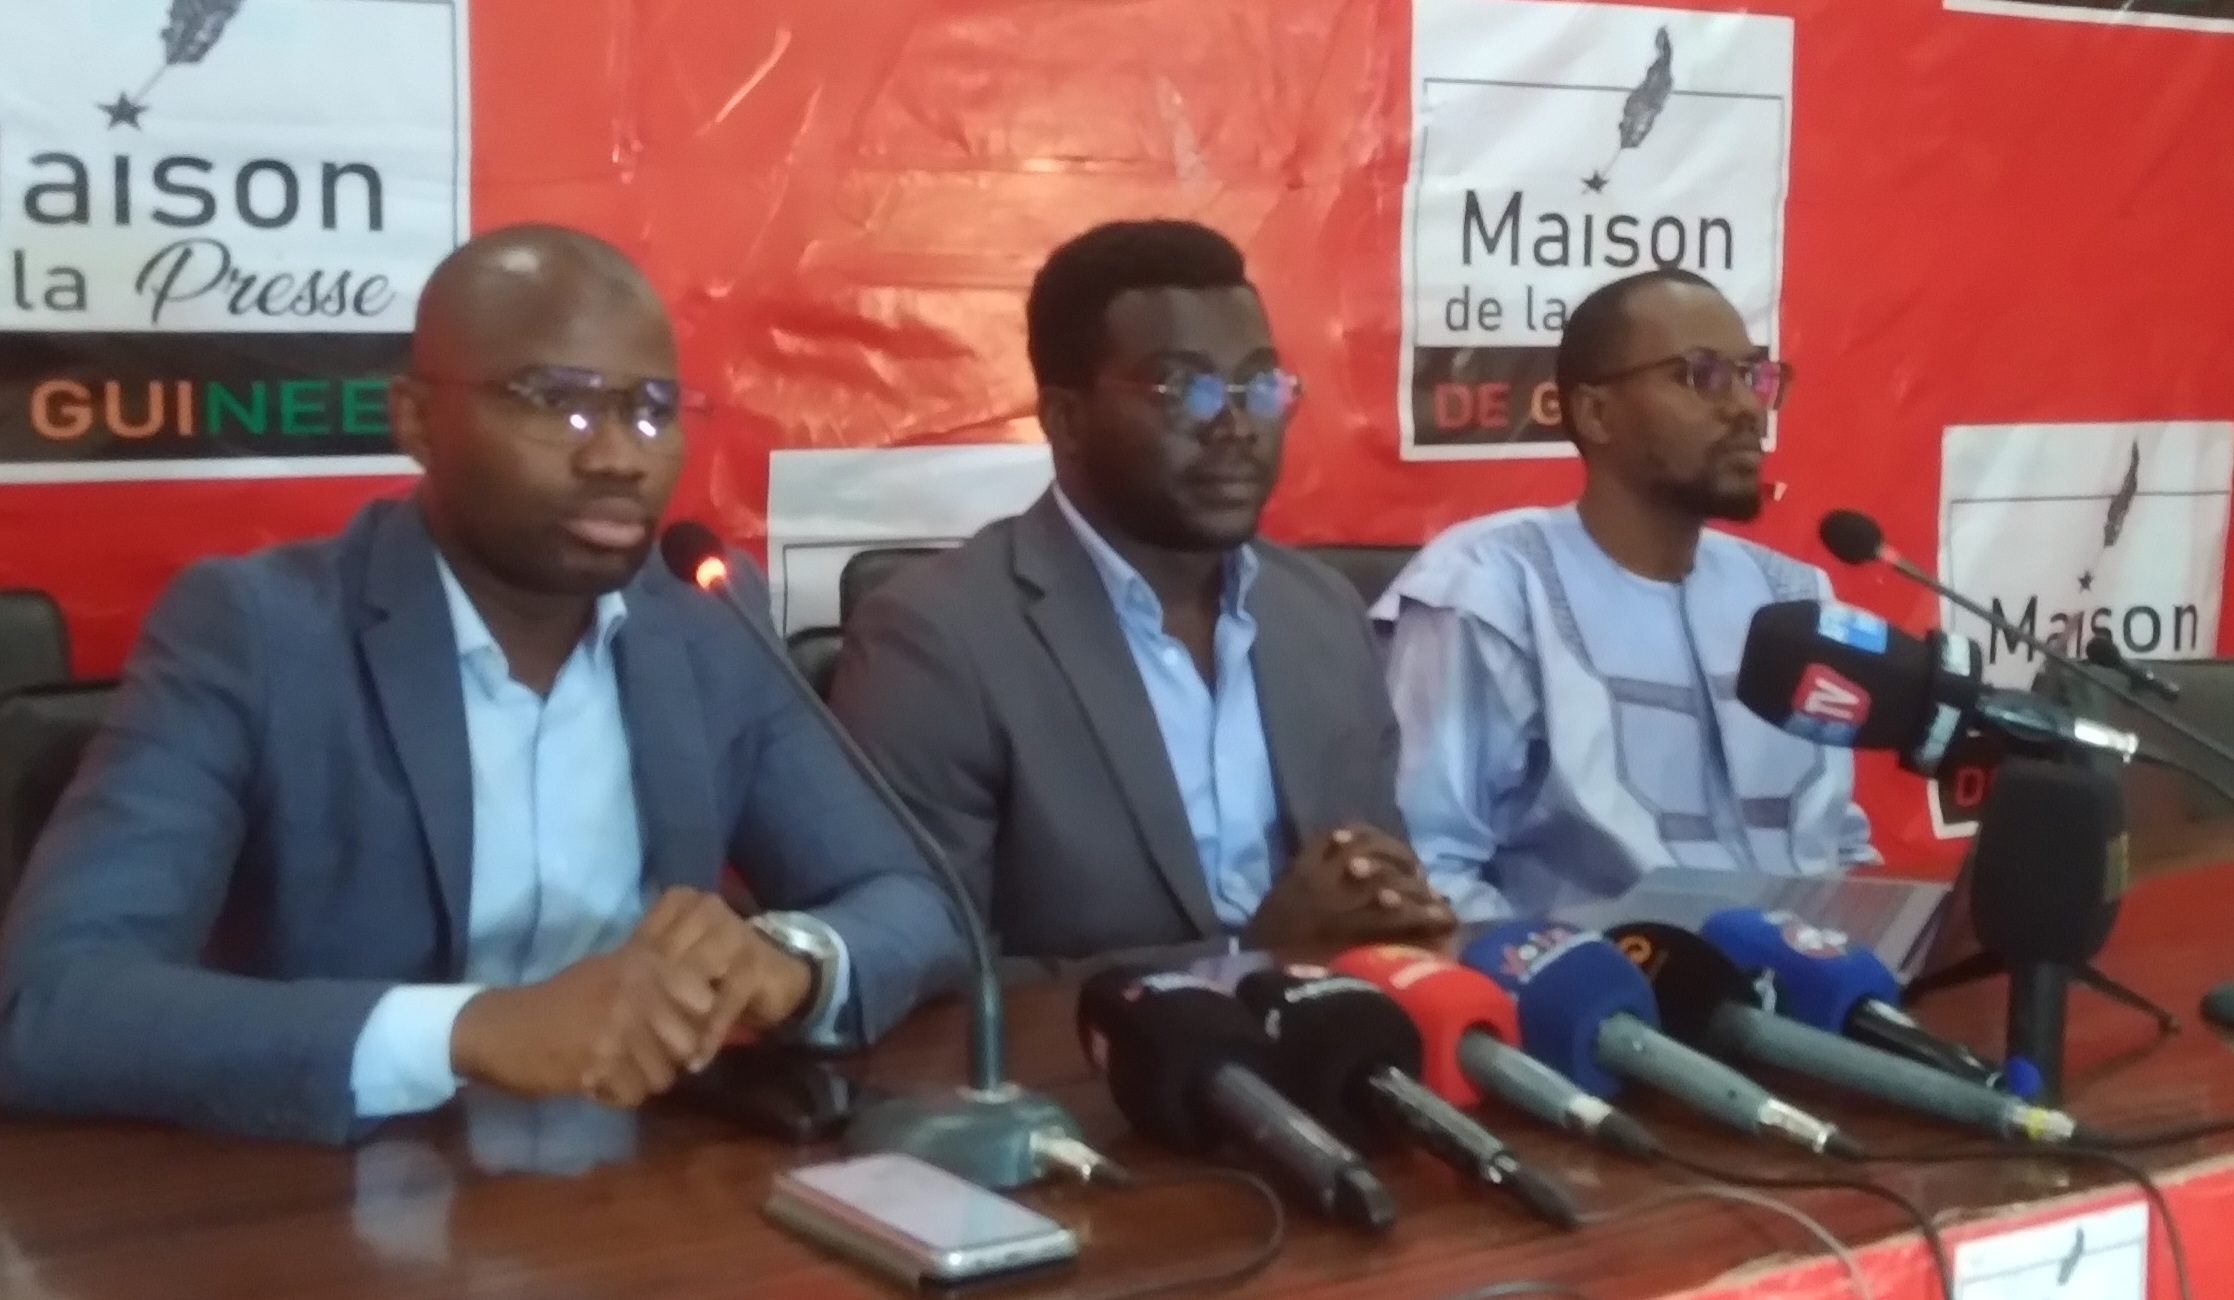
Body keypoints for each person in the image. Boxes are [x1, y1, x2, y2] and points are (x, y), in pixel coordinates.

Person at [0, 225, 967, 1143]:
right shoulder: (256, 633)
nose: (618, 456)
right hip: (342, 1193)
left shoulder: (706, 619)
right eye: (559, 403)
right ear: (417, 419)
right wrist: (473, 1031)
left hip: (641, 1190)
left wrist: (789, 963)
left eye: (652, 410)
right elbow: (51, 1000)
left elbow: (915, 898)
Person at [830, 219, 1454, 964]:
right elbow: (935, 980)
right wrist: (1252, 960)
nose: (1236, 427)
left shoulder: (1322, 611)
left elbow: (1375, 891)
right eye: (1185, 390)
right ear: (1066, 420)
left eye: (1260, 386)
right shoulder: (937, 639)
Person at [1378, 268, 1877, 921]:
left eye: (1754, 375)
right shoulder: (1493, 587)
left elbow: (1838, 845)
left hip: (1798, 975)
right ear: (1596, 413)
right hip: (1587, 978)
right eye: (1702, 375)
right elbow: (1429, 867)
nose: (1746, 408)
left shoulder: (1794, 599)